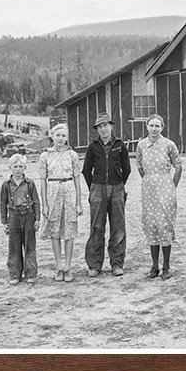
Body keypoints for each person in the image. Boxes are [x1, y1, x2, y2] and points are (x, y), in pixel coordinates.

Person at [81, 112, 131, 277]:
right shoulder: (93, 147)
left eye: (105, 125)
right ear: (97, 129)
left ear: (111, 126)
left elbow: (127, 168)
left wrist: (119, 184)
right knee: (97, 227)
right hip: (98, 189)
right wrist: (94, 187)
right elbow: (86, 170)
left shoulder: (120, 145)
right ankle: (95, 265)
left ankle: (117, 264)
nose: (103, 129)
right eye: (100, 127)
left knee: (118, 227)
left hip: (117, 188)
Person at [135, 113, 182, 279]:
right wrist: (149, 180)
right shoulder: (141, 145)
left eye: (157, 126)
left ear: (162, 128)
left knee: (164, 224)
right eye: (151, 125)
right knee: (151, 224)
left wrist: (171, 185)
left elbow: (178, 166)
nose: (154, 129)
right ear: (147, 126)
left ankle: (166, 266)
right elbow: (139, 166)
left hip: (165, 188)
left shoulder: (169, 144)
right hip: (148, 189)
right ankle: (154, 266)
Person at [39, 122, 83, 282]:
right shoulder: (45, 156)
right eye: (58, 135)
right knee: (55, 230)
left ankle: (68, 267)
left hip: (69, 190)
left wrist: (78, 202)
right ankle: (58, 266)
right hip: (52, 191)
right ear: (52, 136)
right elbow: (42, 181)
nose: (60, 138)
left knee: (69, 229)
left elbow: (77, 179)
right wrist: (44, 204)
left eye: (63, 136)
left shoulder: (72, 155)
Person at [0, 153, 41, 285]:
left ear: (25, 168)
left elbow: (36, 202)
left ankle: (31, 273)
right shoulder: (6, 185)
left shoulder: (30, 183)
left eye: (21, 166)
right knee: (14, 246)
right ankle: (14, 274)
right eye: (15, 166)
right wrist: (4, 222)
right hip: (13, 216)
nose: (18, 169)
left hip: (28, 215)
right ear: (10, 168)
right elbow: (2, 204)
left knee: (30, 246)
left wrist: (37, 219)